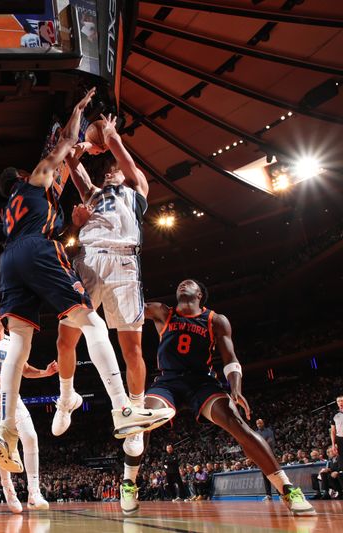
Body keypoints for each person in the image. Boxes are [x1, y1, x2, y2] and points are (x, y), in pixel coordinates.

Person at [0, 87, 174, 473]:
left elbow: (89, 158)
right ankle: (113, 407)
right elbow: (67, 148)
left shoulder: (131, 188)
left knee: (20, 340)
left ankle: (5, 429)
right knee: (87, 326)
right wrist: (77, 113)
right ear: (23, 176)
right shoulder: (42, 180)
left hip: (21, 258)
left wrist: (100, 142)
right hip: (64, 255)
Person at [119, 279, 315, 516]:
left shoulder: (216, 320)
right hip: (168, 381)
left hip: (201, 382)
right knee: (142, 420)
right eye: (180, 283)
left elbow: (230, 358)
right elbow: (132, 305)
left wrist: (236, 388)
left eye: (189, 283)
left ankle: (287, 489)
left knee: (237, 423)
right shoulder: (163, 312)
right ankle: (129, 483)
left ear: (199, 294)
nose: (183, 284)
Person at [66, 113, 151, 467]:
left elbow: (123, 156)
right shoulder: (93, 193)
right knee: (66, 335)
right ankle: (65, 395)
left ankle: (136, 418)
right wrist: (86, 145)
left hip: (124, 263)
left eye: (113, 170)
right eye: (109, 171)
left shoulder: (136, 189)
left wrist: (108, 135)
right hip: (89, 260)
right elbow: (71, 161)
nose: (111, 172)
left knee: (131, 348)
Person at [0, 307, 57, 513]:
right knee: (2, 448)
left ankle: (34, 492)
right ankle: (8, 489)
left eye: (2, 314)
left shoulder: (13, 341)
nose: (0, 317)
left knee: (30, 436)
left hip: (11, 396)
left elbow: (25, 370)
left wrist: (45, 373)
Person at [255, 418, 277, 500]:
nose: (259, 425)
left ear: (263, 423)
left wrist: (262, 444)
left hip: (270, 455)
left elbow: (271, 441)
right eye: (257, 424)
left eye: (260, 423)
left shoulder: (269, 431)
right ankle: (268, 495)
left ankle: (280, 494)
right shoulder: (256, 433)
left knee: (275, 475)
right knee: (265, 476)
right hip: (261, 457)